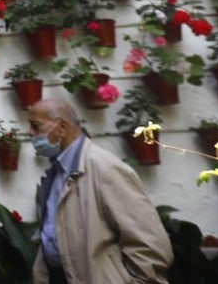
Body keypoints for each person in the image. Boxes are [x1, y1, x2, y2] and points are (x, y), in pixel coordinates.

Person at [28, 98, 173, 284]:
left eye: (36, 125)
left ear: (62, 127)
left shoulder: (104, 168)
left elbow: (150, 244)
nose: (30, 132)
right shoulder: (58, 171)